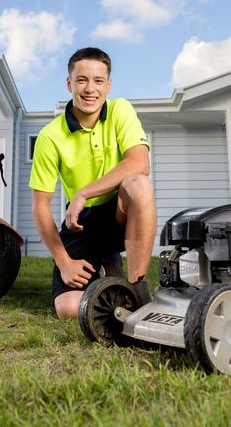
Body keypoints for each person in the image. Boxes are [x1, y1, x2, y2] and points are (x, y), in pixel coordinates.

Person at [29, 47, 156, 319]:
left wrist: (83, 192)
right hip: (81, 224)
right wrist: (64, 263)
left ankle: (137, 290)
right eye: (82, 80)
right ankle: (106, 273)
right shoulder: (49, 137)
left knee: (139, 184)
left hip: (117, 214)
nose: (90, 89)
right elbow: (40, 207)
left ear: (108, 85)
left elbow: (139, 163)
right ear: (69, 83)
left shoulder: (121, 110)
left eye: (98, 81)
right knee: (69, 309)